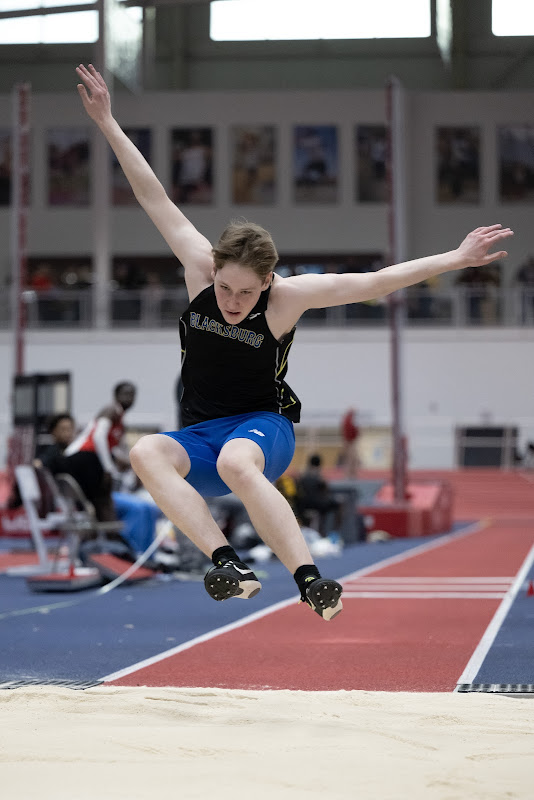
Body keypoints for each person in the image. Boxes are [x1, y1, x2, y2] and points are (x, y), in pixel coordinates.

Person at [75, 63, 513, 622]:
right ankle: (229, 566)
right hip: (202, 435)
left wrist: (454, 258)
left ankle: (310, 580)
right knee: (145, 451)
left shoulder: (287, 298)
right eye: (225, 287)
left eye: (244, 293)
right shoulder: (200, 269)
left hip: (264, 430)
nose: (231, 301)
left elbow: (373, 283)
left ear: (267, 283)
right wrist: (109, 122)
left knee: (238, 460)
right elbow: (153, 195)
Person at [62, 381, 136, 522]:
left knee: (104, 498)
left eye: (132, 395)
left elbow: (114, 448)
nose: (130, 398)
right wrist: (109, 468)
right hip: (80, 458)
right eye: (126, 394)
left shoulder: (120, 420)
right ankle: (106, 534)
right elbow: (98, 437)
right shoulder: (111, 410)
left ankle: (105, 534)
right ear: (115, 395)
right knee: (103, 497)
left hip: (88, 460)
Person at [295, 453, 342, 538]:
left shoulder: (302, 475)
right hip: (317, 504)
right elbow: (325, 490)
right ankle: (333, 531)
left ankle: (310, 529)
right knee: (336, 505)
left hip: (302, 505)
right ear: (320, 464)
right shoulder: (319, 476)